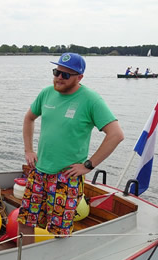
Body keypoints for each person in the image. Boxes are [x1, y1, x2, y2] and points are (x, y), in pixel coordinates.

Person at [19, 52, 124, 244]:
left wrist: (88, 165)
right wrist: (28, 150)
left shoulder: (91, 100)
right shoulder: (46, 93)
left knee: (60, 232)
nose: (59, 77)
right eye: (57, 71)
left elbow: (116, 134)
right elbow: (29, 118)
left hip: (66, 178)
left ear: (79, 77)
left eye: (66, 75)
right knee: (25, 221)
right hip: (39, 172)